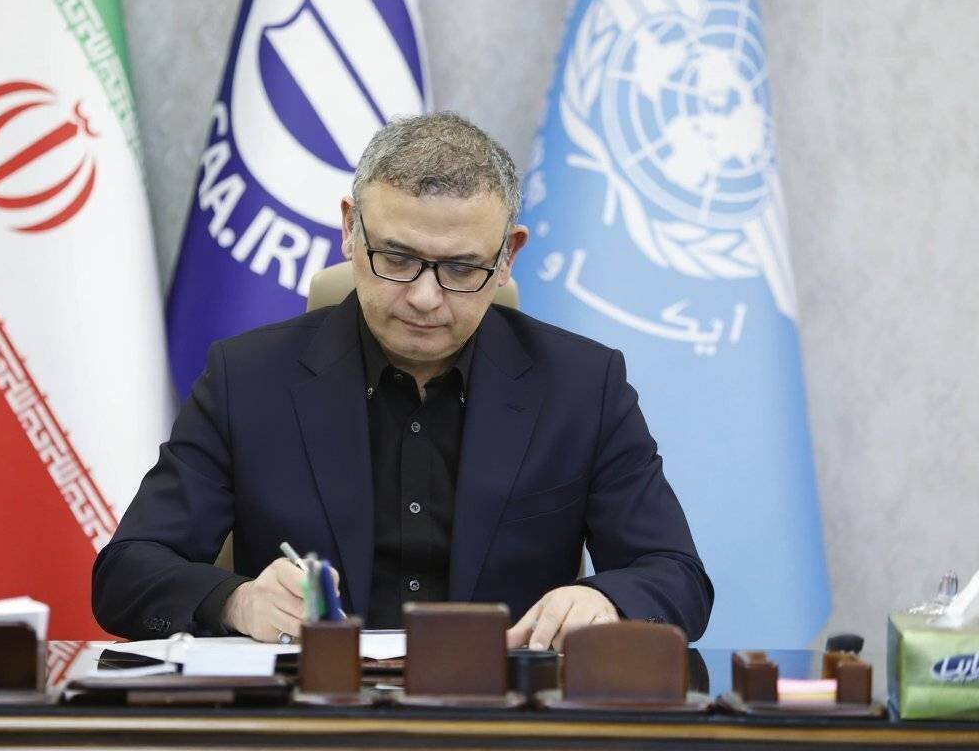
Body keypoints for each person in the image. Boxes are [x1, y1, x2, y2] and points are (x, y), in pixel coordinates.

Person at [92, 112, 712, 650]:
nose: (424, 297)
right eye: (396, 258)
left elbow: (677, 577)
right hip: (312, 718)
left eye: (461, 268)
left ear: (508, 257)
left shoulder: (583, 386)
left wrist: (605, 600)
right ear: (349, 230)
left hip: (503, 722)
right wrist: (236, 601)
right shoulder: (247, 378)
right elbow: (126, 573)